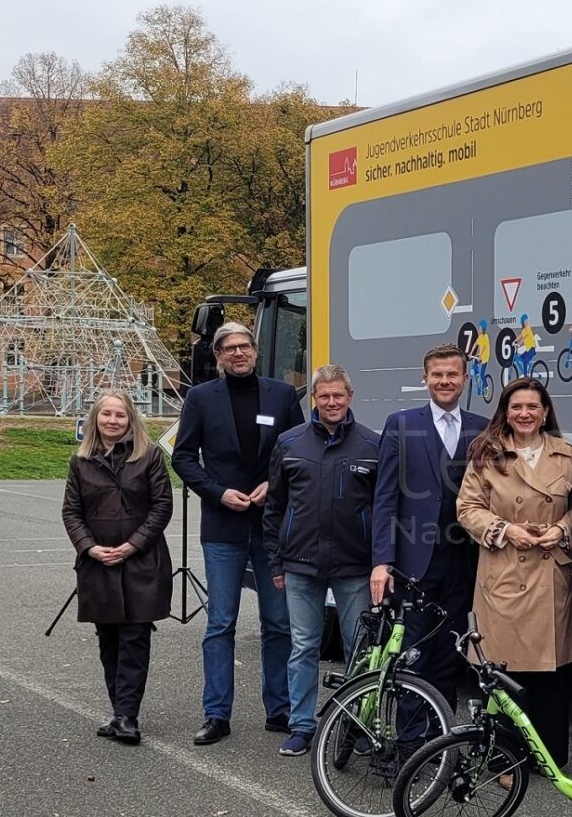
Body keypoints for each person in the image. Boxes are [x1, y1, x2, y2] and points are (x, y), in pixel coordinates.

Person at [172, 321, 302, 746]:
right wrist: (216, 491)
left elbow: (299, 451)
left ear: (256, 350)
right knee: (220, 622)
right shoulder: (200, 397)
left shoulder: (282, 395)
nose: (238, 353)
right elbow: (184, 457)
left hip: (272, 526)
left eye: (245, 346)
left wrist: (274, 484)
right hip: (223, 524)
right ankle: (216, 714)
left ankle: (280, 709)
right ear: (218, 356)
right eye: (229, 348)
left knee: (278, 622)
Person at [456, 378, 572, 761]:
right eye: (516, 407)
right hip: (505, 570)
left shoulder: (566, 454)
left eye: (532, 407)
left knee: (551, 672)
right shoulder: (486, 453)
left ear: (545, 413)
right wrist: (506, 529)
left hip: (550, 574)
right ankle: (505, 756)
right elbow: (467, 508)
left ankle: (550, 754)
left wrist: (562, 529)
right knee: (506, 672)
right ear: (505, 414)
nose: (524, 414)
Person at [263, 364, 381, 757]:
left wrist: (382, 562)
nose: (331, 402)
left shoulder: (372, 444)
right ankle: (301, 725)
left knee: (359, 650)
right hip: (300, 564)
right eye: (324, 396)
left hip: (354, 566)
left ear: (350, 397)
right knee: (303, 648)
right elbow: (275, 507)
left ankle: (357, 726)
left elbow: (384, 511)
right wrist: (276, 562)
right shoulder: (289, 442)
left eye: (338, 396)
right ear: (314, 398)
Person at [371, 344, 487, 702]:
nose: (445, 381)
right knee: (412, 656)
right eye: (437, 374)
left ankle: (442, 744)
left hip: (464, 564)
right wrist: (381, 561)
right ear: (425, 379)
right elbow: (385, 497)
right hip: (414, 564)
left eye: (453, 374)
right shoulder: (401, 424)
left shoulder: (482, 430)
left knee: (450, 656)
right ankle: (410, 747)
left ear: (465, 379)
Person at [61, 391, 174, 745]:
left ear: (131, 420)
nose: (113, 421)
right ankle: (118, 712)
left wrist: (132, 545)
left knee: (135, 638)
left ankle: (128, 715)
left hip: (142, 562)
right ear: (95, 419)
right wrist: (89, 548)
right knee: (108, 639)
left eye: (120, 415)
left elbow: (161, 507)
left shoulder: (150, 457)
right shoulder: (80, 462)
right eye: (106, 415)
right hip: (98, 565)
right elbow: (71, 511)